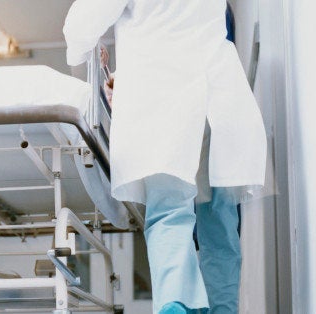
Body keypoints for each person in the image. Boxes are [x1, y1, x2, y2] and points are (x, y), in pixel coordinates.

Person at [63, 1, 266, 314]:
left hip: (165, 98)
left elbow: (80, 26)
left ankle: (175, 305)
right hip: (218, 94)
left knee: (170, 212)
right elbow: (180, 25)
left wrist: (83, 51)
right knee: (220, 221)